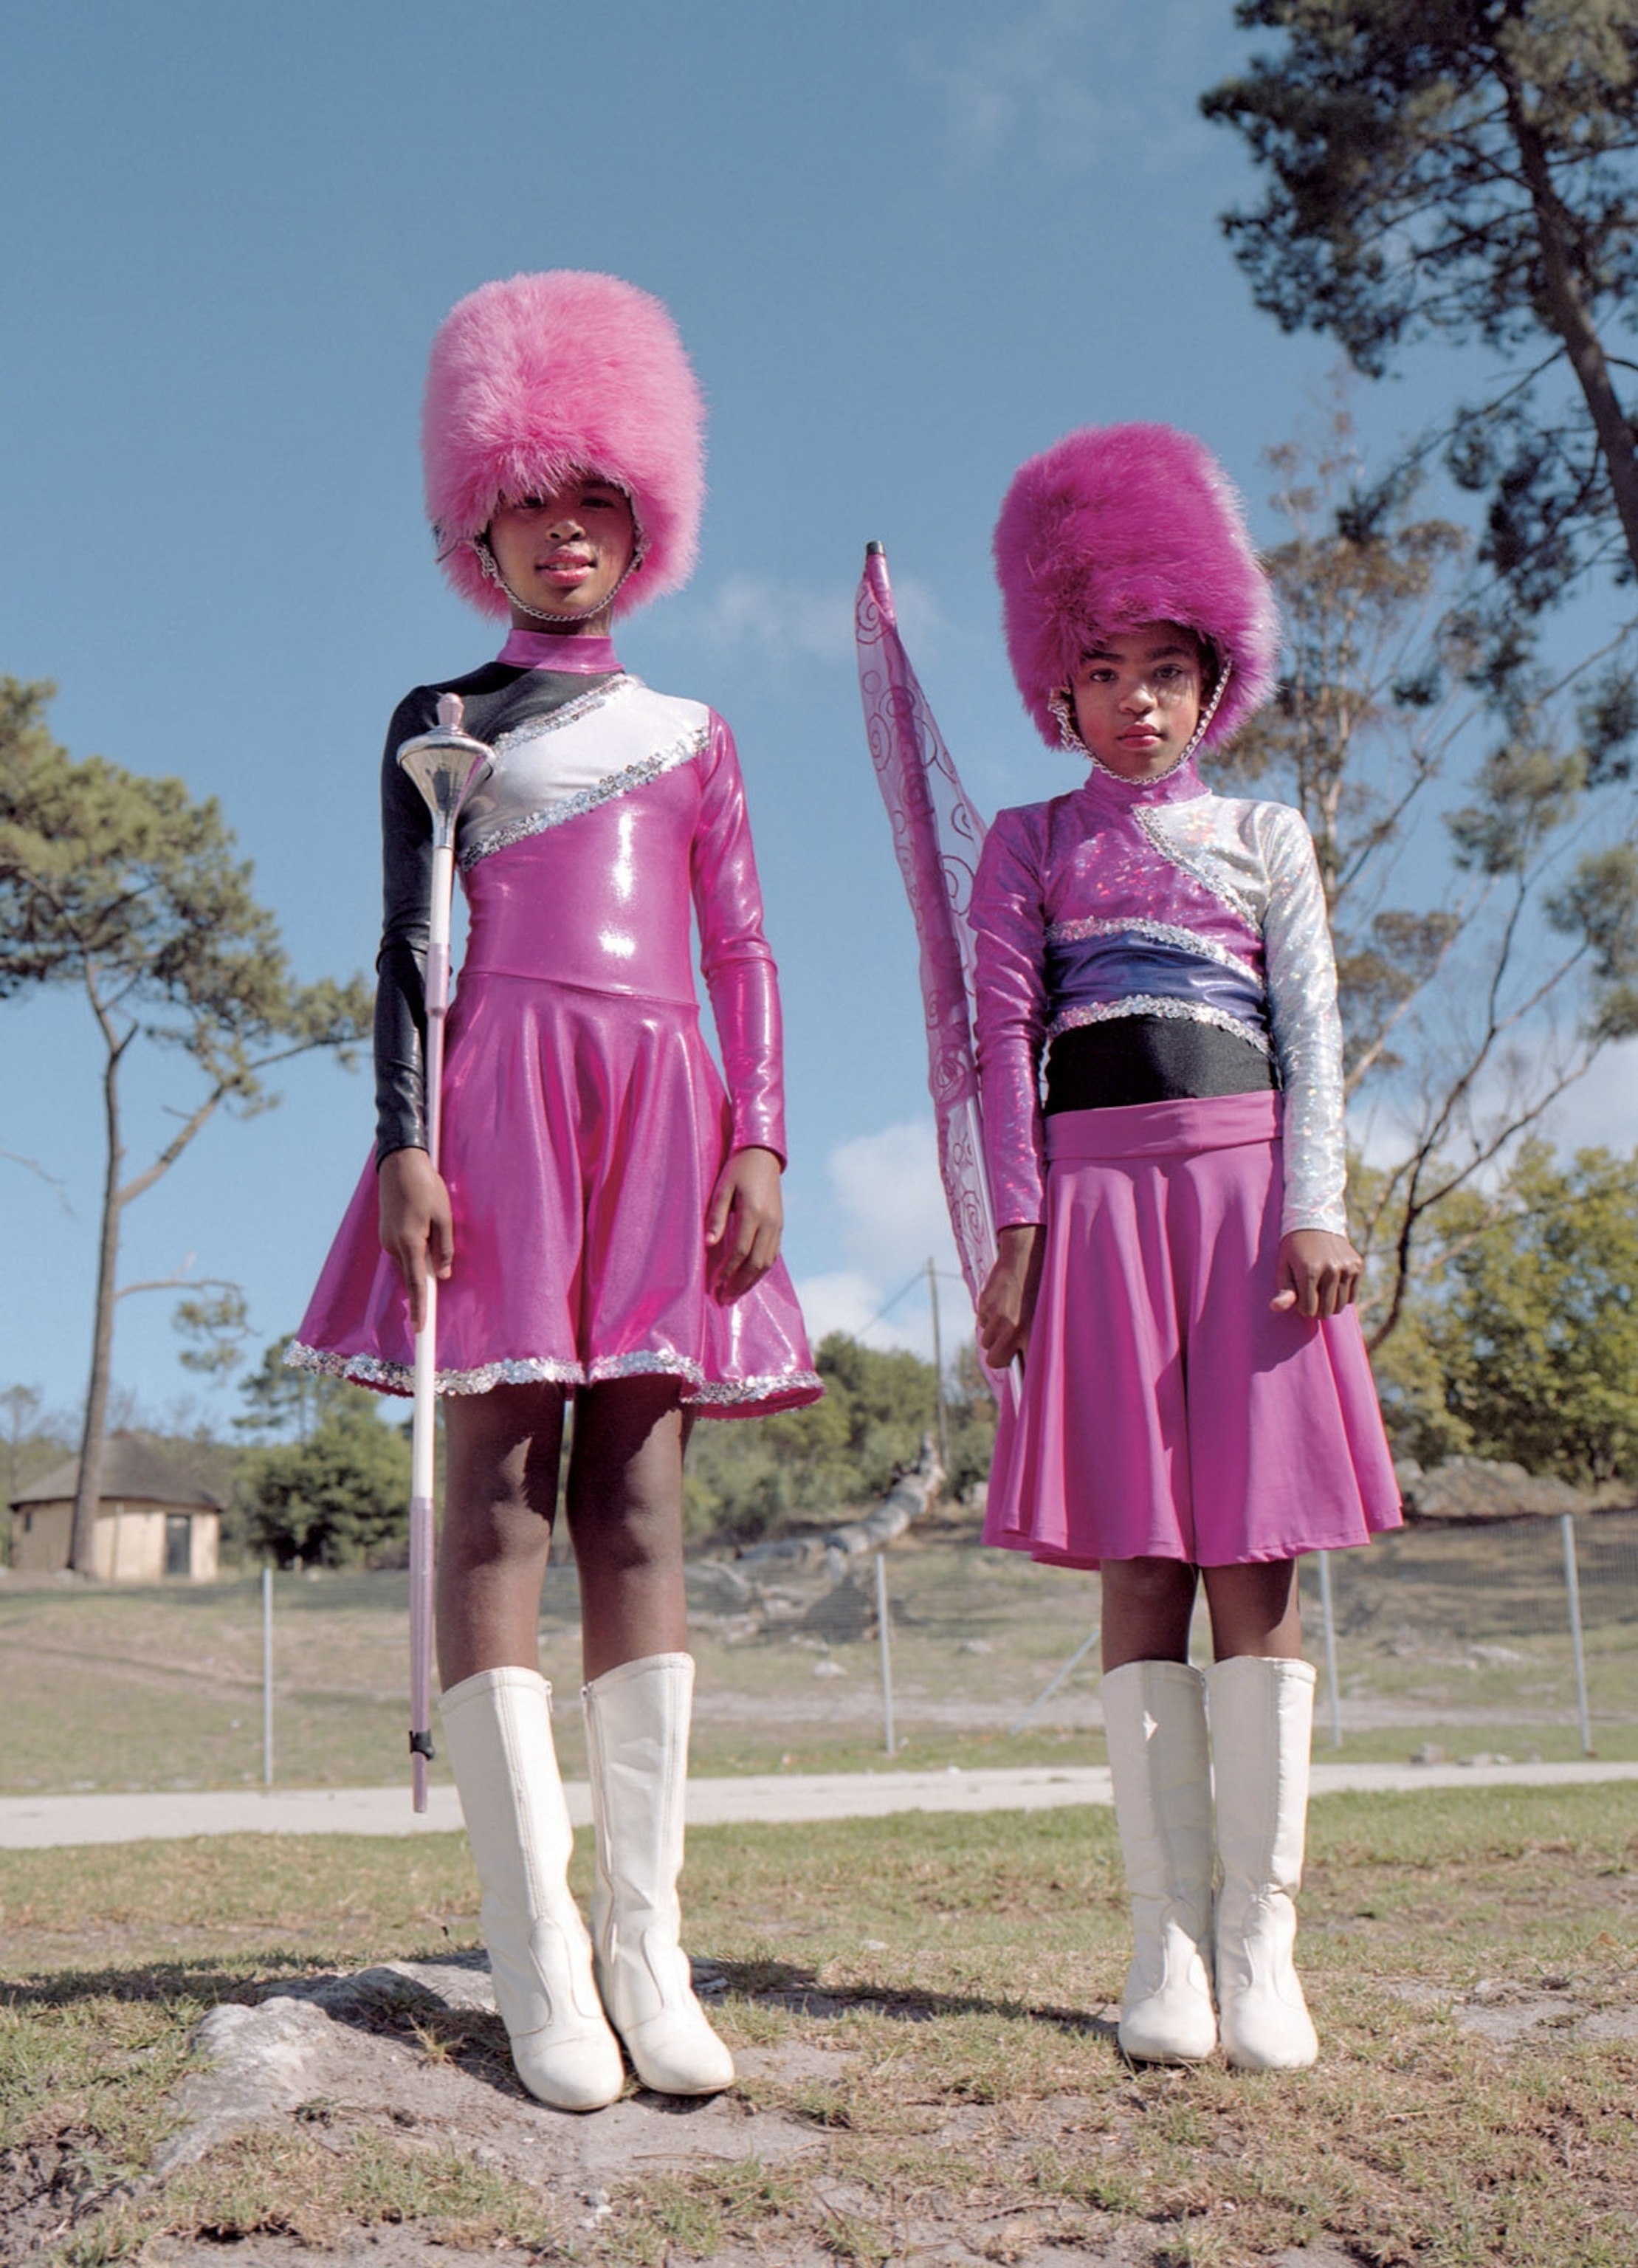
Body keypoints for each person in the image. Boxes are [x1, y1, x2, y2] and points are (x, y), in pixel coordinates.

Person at [290, 270, 820, 2112]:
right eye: (534, 501)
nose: (566, 531)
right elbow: (405, 951)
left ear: (642, 521)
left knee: (645, 1511)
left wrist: (759, 1131)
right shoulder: (438, 718)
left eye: (599, 501)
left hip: (663, 1106)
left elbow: (743, 947)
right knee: (500, 1496)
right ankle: (535, 1965)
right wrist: (408, 1140)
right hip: (499, 1102)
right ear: (481, 522)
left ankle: (644, 1949)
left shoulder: (696, 735)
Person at [969, 425, 1400, 2072]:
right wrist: (1015, 1234)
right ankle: (1160, 1950)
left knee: (1255, 1563)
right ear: (1055, 691)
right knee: (1143, 1558)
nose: (1138, 701)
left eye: (1167, 670)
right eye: (1104, 671)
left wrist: (1318, 1205)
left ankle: (1260, 1948)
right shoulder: (1027, 843)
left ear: (1213, 681)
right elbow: (1000, 1044)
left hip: (1249, 1211)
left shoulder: (1269, 834)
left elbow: (1313, 1028)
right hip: (1094, 1207)